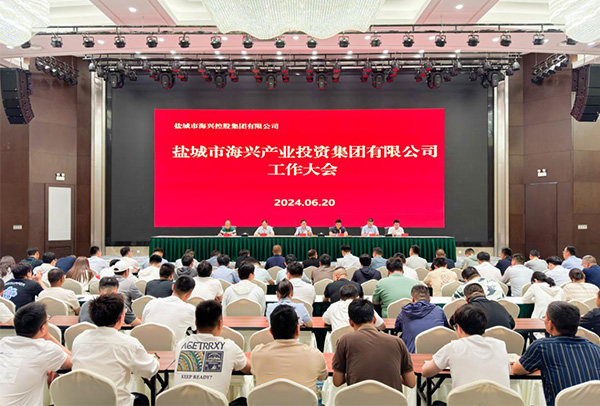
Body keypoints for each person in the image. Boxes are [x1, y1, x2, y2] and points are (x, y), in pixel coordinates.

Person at [72, 294, 159, 406]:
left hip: (83, 402)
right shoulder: (129, 343)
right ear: (121, 318)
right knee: (142, 399)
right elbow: (149, 370)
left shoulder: (79, 340)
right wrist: (155, 359)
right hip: (116, 403)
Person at [512, 302, 600, 406]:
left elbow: (517, 370)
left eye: (545, 317)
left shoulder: (542, 347)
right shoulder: (595, 349)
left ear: (550, 324)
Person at [174, 300, 250, 400]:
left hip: (181, 402)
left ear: (195, 323)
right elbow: (249, 369)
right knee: (242, 401)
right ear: (220, 324)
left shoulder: (181, 344)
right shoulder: (229, 347)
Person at [333, 299, 415, 391]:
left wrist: (352, 373)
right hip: (391, 399)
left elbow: (337, 381)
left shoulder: (344, 341)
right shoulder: (397, 342)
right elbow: (411, 382)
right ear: (374, 319)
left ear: (351, 322)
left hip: (358, 398)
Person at [0, 302, 72, 406]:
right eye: (48, 319)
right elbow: (73, 361)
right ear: (42, 328)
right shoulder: (46, 349)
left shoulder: (4, 342)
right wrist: (48, 336)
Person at [422, 305, 510, 389]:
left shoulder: (453, 347)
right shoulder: (500, 345)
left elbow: (426, 371)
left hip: (464, 399)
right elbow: (508, 370)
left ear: (459, 328)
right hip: (501, 399)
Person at [252, 305, 327, 390]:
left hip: (267, 399)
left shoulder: (257, 354)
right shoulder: (315, 355)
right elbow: (323, 377)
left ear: (271, 331)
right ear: (297, 330)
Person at [395, 285, 449, 353]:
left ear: (412, 299)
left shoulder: (405, 312)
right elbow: (446, 328)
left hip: (412, 354)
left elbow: (397, 328)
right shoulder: (439, 311)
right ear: (429, 299)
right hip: (437, 354)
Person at [142, 276, 196, 343]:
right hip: (174, 348)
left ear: (172, 287)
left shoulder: (151, 303)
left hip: (147, 346)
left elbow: (143, 325)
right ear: (189, 294)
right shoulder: (191, 310)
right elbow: (195, 330)